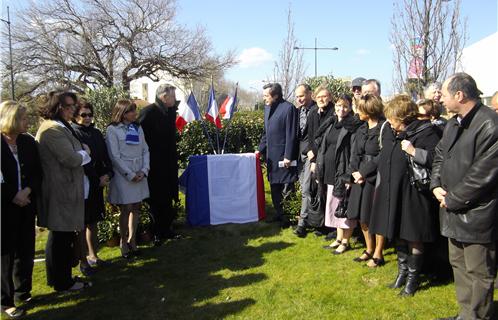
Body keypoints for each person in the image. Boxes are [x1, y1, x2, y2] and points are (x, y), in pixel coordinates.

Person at [432, 73, 498, 320]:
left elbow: (483, 175)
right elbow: (439, 155)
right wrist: (436, 185)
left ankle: (478, 316)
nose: (441, 99)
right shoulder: (453, 123)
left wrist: (452, 199)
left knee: (479, 272)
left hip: (477, 214)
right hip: (452, 210)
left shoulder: (490, 125)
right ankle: (465, 314)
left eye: (445, 95)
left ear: (459, 95)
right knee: (459, 266)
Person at [369, 95, 440, 295]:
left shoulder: (426, 132)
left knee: (413, 236)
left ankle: (413, 279)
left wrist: (413, 151)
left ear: (403, 117)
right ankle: (402, 273)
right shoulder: (394, 133)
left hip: (415, 194)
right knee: (399, 233)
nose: (390, 122)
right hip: (394, 191)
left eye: (393, 118)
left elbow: (437, 159)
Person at [36, 91, 91, 291]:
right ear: (56, 107)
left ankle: (62, 277)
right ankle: (61, 281)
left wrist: (81, 152)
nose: (71, 111)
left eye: (72, 107)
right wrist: (86, 153)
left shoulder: (61, 127)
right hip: (60, 191)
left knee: (64, 236)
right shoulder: (51, 130)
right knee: (59, 237)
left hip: (67, 189)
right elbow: (71, 159)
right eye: (67, 107)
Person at [1, 101, 42, 318]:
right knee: (6, 253)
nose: (29, 121)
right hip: (4, 207)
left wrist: (27, 191)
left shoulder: (27, 142)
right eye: (25, 118)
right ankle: (4, 300)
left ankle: (22, 292)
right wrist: (12, 194)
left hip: (26, 203)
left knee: (25, 249)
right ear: (12, 119)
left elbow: (37, 171)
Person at [315, 91, 362, 254]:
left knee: (344, 206)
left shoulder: (353, 125)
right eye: (338, 105)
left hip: (343, 171)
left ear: (350, 108)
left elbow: (354, 152)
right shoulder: (331, 122)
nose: (341, 109)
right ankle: (338, 238)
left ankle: (346, 241)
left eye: (345, 106)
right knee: (334, 205)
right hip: (329, 171)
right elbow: (323, 146)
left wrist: (349, 174)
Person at [71, 100, 113, 273]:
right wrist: (96, 179)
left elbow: (104, 155)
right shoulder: (73, 133)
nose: (87, 118)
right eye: (83, 115)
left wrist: (107, 174)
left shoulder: (95, 133)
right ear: (75, 116)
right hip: (84, 183)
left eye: (90, 114)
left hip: (98, 182)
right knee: (81, 223)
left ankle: (93, 255)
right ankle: (83, 261)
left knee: (93, 222)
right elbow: (82, 161)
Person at [106, 99, 150, 259]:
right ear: (122, 113)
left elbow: (145, 150)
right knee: (126, 208)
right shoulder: (112, 130)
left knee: (136, 207)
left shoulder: (137, 128)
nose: (134, 114)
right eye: (130, 111)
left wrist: (144, 170)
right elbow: (114, 156)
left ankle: (133, 240)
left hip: (139, 171)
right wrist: (130, 174)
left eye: (134, 110)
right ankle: (123, 242)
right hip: (124, 174)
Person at [139, 84, 180, 245]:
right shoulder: (148, 113)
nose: (175, 99)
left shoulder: (169, 112)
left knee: (168, 196)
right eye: (172, 96)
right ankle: (155, 232)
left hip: (168, 162)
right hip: (154, 164)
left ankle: (166, 230)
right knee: (155, 199)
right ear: (164, 97)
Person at [346, 94, 385, 263]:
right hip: (359, 177)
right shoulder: (361, 128)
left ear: (369, 110)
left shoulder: (384, 128)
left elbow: (383, 155)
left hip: (376, 177)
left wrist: (364, 173)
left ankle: (378, 252)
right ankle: (369, 248)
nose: (357, 111)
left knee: (375, 215)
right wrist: (355, 173)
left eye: (360, 109)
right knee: (361, 216)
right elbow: (355, 153)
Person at [258, 83, 298, 228]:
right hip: (272, 158)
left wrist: (288, 155)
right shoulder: (268, 108)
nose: (264, 99)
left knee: (287, 189)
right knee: (274, 187)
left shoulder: (289, 108)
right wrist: (259, 150)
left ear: (276, 95)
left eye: (266, 96)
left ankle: (288, 218)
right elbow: (266, 133)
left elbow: (291, 134)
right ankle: (278, 213)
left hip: (284, 157)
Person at [293, 84, 317, 237]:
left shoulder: (316, 110)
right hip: (298, 153)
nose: (299, 99)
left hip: (311, 153)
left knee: (307, 188)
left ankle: (303, 223)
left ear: (310, 94)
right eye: (297, 96)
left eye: (301, 95)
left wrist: (312, 152)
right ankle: (310, 218)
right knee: (304, 187)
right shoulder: (297, 111)